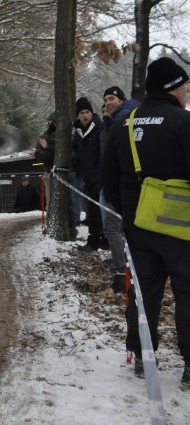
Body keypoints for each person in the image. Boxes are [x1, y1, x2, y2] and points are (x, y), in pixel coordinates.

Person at [100, 57, 190, 384]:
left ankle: (141, 355)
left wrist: (128, 209)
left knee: (144, 292)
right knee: (187, 292)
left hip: (138, 225)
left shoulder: (126, 123)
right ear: (173, 88)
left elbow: (106, 176)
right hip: (181, 229)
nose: (187, 91)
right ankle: (189, 366)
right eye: (185, 86)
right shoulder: (184, 122)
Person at [100, 86, 141, 292]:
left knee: (113, 227)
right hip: (114, 182)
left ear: (122, 100)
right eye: (106, 99)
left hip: (118, 183)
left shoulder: (124, 118)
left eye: (112, 98)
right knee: (116, 227)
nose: (108, 102)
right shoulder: (115, 120)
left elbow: (116, 154)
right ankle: (125, 267)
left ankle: (122, 270)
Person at [72, 97, 105, 252]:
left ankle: (97, 241)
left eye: (87, 112)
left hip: (100, 177)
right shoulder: (78, 132)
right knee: (92, 211)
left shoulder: (100, 127)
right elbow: (77, 153)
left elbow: (104, 152)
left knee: (98, 211)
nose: (85, 115)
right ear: (77, 115)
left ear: (92, 113)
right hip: (87, 178)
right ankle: (98, 239)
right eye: (82, 113)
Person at [32, 112, 56, 213]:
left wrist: (44, 149)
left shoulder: (64, 135)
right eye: (49, 121)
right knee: (50, 198)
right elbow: (40, 154)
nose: (49, 123)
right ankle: (49, 221)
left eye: (51, 121)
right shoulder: (44, 135)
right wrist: (37, 152)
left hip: (61, 171)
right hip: (48, 171)